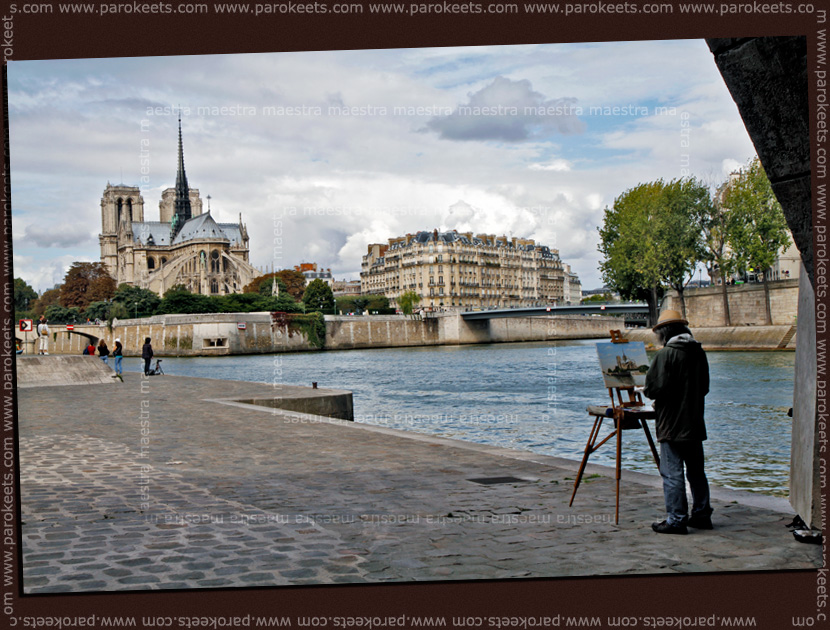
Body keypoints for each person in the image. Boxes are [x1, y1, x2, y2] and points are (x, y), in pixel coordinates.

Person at [643, 309, 712, 535]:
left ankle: (676, 519)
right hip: (694, 421)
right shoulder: (698, 352)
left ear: (664, 333)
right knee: (696, 472)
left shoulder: (666, 355)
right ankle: (701, 514)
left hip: (672, 423)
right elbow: (704, 388)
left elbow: (652, 390)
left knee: (672, 473)